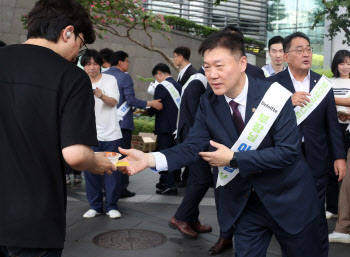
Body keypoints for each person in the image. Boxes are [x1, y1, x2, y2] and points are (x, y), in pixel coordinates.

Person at [119, 31, 323, 257]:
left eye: (219, 66)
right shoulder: (208, 102)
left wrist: (234, 158)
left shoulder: (274, 95)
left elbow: (287, 153)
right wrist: (149, 158)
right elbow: (192, 145)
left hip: (290, 201)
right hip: (245, 205)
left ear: (242, 63)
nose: (212, 74)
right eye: (207, 67)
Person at [0, 0, 117, 256]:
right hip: (33, 218)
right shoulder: (71, 76)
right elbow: (75, 154)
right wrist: (96, 161)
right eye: (81, 42)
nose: (78, 52)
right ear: (67, 32)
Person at [267, 32, 347, 257]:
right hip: (283, 160)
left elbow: (332, 124)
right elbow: (262, 123)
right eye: (299, 50)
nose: (306, 54)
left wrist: (339, 158)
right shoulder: (271, 84)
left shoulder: (323, 84)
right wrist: (287, 103)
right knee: (290, 213)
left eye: (309, 49)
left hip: (316, 159)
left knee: (316, 213)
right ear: (286, 56)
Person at [208, 24, 266, 255]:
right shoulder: (212, 78)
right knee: (224, 195)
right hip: (222, 152)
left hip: (254, 155)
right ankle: (225, 235)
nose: (214, 73)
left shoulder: (258, 76)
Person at [104, 51, 163, 199]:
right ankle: (121, 189)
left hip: (106, 124)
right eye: (127, 61)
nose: (128, 64)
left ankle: (107, 188)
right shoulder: (124, 77)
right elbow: (130, 100)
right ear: (120, 62)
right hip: (122, 124)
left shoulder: (103, 76)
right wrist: (151, 103)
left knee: (109, 156)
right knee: (123, 156)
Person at [169, 66, 213, 237]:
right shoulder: (198, 82)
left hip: (193, 139)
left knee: (195, 180)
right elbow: (197, 117)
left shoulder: (198, 79)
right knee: (203, 179)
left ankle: (191, 219)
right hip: (193, 141)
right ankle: (179, 217)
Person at [81, 49, 122, 219]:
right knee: (90, 172)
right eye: (88, 64)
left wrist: (101, 95)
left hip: (112, 134)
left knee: (112, 170)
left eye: (95, 63)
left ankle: (111, 206)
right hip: (89, 135)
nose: (92, 67)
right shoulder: (79, 81)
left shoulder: (110, 79)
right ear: (83, 66)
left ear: (100, 65)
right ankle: (95, 206)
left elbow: (114, 102)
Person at [147, 63, 182, 195]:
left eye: (156, 77)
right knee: (172, 156)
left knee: (164, 157)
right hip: (176, 128)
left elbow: (157, 105)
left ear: (160, 74)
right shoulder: (178, 85)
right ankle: (164, 182)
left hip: (165, 129)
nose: (157, 80)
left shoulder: (161, 86)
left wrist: (148, 111)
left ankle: (169, 185)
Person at [327, 49, 350, 243]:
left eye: (348, 63)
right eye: (342, 63)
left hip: (348, 129)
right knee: (331, 169)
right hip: (332, 128)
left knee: (346, 175)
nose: (345, 66)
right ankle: (332, 208)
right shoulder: (329, 82)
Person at [173, 46, 197, 186]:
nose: (174, 59)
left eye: (175, 56)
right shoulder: (181, 72)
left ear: (181, 57)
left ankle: (188, 178)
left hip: (188, 120)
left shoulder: (192, 74)